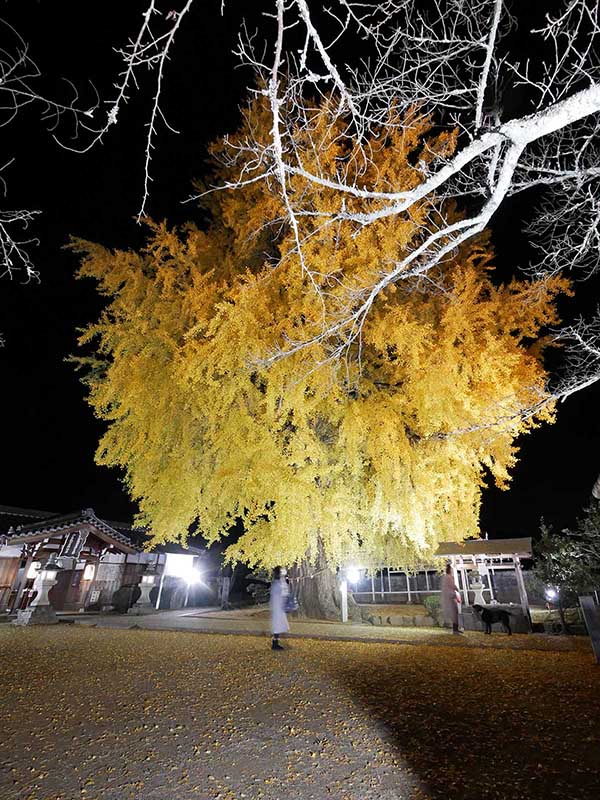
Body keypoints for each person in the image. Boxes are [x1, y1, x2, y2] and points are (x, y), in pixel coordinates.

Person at [270, 566, 289, 650]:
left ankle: (275, 642)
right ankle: (275, 643)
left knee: (278, 625)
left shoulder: (277, 582)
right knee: (277, 625)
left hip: (277, 606)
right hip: (278, 607)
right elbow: (283, 593)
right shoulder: (278, 583)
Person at [441, 563, 462, 634]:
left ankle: (455, 628)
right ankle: (455, 629)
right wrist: (457, 589)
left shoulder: (446, 577)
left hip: (450, 597)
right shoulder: (448, 577)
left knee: (454, 614)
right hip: (450, 597)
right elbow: (452, 585)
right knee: (454, 613)